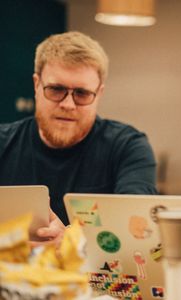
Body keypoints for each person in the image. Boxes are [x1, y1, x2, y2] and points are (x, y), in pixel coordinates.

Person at [0, 31, 157, 243]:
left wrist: (72, 243)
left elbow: (136, 231)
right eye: (56, 90)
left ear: (99, 94)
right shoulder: (3, 143)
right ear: (36, 85)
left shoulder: (127, 147)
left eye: (82, 93)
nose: (68, 104)